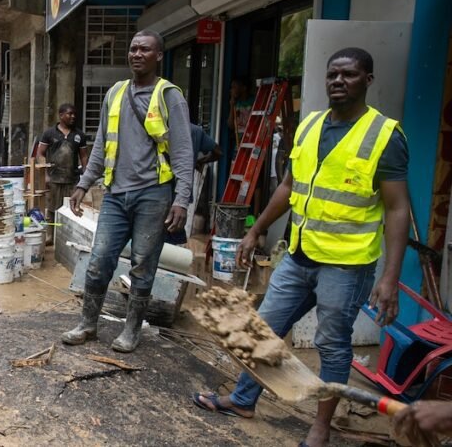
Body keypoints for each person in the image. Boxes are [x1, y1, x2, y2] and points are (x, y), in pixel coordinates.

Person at [193, 48, 409, 447]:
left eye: (349, 74)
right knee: (262, 328)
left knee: (331, 343)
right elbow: (289, 188)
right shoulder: (309, 126)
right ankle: (243, 399)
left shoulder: (384, 135)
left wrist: (391, 277)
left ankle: (321, 426)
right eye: (332, 75)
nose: (338, 81)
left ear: (368, 81)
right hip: (299, 254)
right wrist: (255, 229)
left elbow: (398, 209)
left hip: (346, 264)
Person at [62, 29, 194, 353]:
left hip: (153, 195)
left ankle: (132, 330)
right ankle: (88, 324)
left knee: (142, 266)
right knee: (98, 262)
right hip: (116, 196)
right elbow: (100, 145)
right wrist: (83, 184)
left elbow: (182, 151)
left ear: (158, 56)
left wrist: (181, 199)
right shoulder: (116, 93)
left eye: (145, 50)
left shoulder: (169, 96)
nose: (137, 54)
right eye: (133, 49)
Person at [37, 104, 89, 243]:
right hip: (53, 178)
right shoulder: (49, 134)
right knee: (52, 208)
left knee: (71, 208)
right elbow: (40, 153)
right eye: (69, 114)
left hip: (72, 179)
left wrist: (86, 175)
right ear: (60, 115)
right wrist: (46, 174)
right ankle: (50, 237)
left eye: (74, 114)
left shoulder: (79, 135)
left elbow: (83, 156)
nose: (73, 116)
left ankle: (67, 238)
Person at [165, 123, 222, 245]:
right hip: (182, 194)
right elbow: (218, 152)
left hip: (160, 190)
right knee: (175, 232)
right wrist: (200, 161)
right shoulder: (195, 131)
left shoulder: (162, 127)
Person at [228, 77, 255, 143]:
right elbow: (231, 125)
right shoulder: (236, 103)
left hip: (251, 141)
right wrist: (232, 105)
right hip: (239, 142)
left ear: (244, 88)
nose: (231, 90)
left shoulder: (254, 101)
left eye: (234, 87)